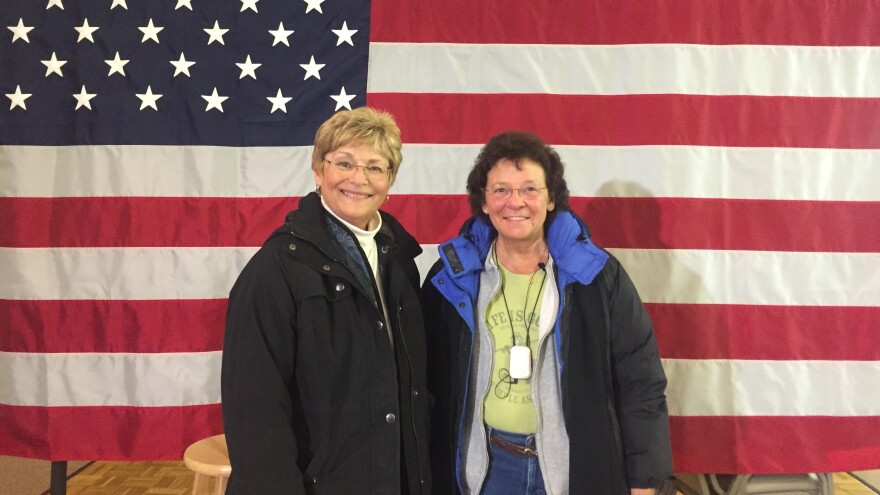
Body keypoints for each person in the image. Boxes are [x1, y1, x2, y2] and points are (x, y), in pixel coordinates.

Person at [422, 131, 672, 495]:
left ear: (552, 198)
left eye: (529, 189)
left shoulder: (597, 276)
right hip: (486, 470)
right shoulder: (451, 277)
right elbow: (424, 383)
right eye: (501, 190)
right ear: (484, 202)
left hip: (573, 468)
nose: (515, 202)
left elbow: (641, 381)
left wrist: (644, 481)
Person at [221, 107, 430, 494]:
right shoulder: (275, 271)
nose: (358, 179)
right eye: (344, 163)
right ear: (319, 171)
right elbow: (255, 414)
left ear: (390, 181)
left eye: (375, 167)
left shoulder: (400, 260)